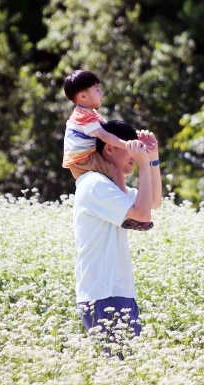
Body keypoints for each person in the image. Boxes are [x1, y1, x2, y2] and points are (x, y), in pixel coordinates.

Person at [73, 119, 162, 358]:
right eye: (129, 146)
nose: (135, 153)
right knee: (122, 371)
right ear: (110, 148)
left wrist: (152, 158)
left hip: (118, 292)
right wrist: (143, 166)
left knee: (127, 373)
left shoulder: (112, 187)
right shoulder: (95, 185)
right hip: (104, 294)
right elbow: (142, 214)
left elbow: (153, 202)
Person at [62, 69, 152, 231]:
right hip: (83, 161)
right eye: (97, 89)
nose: (101, 92)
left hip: (84, 158)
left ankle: (127, 208)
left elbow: (109, 129)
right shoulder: (84, 116)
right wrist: (127, 145)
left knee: (114, 173)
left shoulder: (90, 114)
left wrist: (129, 136)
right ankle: (130, 213)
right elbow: (106, 137)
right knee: (116, 172)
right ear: (83, 96)